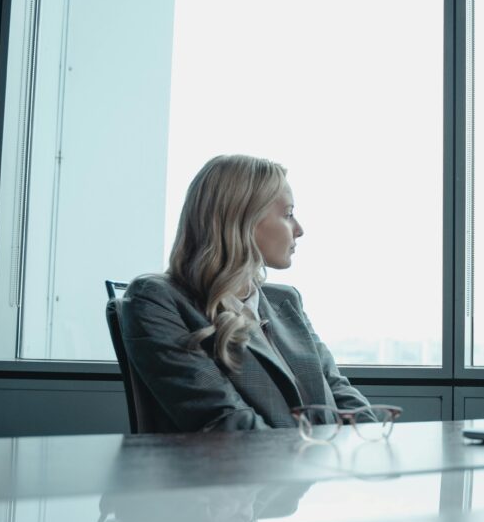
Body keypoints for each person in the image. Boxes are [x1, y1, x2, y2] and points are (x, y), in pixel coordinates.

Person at [121, 154, 369, 432]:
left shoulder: (285, 300)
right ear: (243, 220)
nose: (299, 229)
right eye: (288, 214)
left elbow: (338, 390)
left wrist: (375, 440)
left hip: (320, 465)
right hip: (247, 472)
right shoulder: (156, 299)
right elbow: (226, 421)